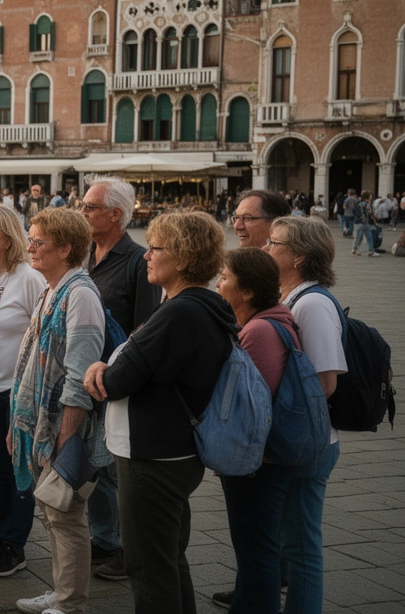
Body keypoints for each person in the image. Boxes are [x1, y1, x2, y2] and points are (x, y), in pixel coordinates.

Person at [84, 211, 234, 614]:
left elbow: (115, 382)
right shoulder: (201, 305)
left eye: (155, 248)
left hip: (152, 455)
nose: (146, 256)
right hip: (173, 450)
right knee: (168, 558)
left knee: (148, 566)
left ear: (182, 258)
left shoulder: (179, 312)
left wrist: (100, 367)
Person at [10, 208, 106, 614]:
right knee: (51, 513)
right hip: (39, 422)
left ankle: (70, 603)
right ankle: (61, 589)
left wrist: (65, 439)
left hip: (60, 427)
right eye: (31, 239)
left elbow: (78, 378)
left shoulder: (80, 295)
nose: (29, 246)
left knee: (66, 516)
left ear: (66, 248)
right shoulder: (53, 288)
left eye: (39, 241)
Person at [258, 216, 346, 612]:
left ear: (300, 256)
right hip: (296, 440)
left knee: (301, 546)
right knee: (290, 540)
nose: (265, 248)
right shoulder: (292, 296)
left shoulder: (311, 303)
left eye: (274, 243)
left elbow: (325, 381)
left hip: (307, 442)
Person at [79, 177, 163, 580]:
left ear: (115, 215)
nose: (83, 212)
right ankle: (104, 538)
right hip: (82, 377)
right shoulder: (85, 255)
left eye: (90, 207)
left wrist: (119, 373)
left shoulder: (136, 260)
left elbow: (145, 328)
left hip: (115, 379)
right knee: (94, 466)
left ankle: (123, 548)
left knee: (114, 469)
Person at [212, 248, 301, 612]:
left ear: (247, 291)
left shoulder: (260, 330)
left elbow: (249, 404)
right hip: (262, 458)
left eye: (225, 277)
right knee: (254, 545)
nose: (219, 282)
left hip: (259, 460)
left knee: (256, 548)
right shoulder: (263, 321)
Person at [0, 204, 45, 577]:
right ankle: (0, 530)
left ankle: (16, 544)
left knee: (19, 469)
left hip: (18, 392)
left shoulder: (28, 277)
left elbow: (42, 334)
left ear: (8, 236)